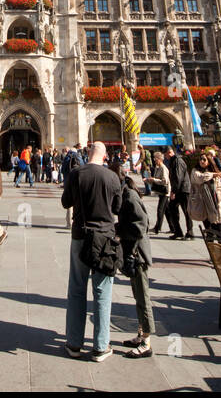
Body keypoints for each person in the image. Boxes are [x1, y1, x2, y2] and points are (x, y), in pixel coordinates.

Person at [62, 141, 122, 361]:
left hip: (80, 235)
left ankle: (74, 344)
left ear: (88, 154)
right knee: (102, 292)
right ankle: (100, 346)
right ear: (104, 156)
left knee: (77, 289)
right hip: (105, 239)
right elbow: (117, 208)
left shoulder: (77, 174)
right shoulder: (112, 178)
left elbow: (65, 202)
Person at [114, 163, 155, 358]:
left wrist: (118, 229)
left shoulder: (129, 195)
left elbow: (141, 226)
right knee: (137, 296)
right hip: (132, 251)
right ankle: (140, 334)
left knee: (143, 297)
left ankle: (146, 342)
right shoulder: (124, 193)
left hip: (138, 253)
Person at [189, 151, 221, 241]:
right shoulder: (195, 171)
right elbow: (200, 178)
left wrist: (219, 194)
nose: (202, 161)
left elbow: (220, 185)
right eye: (200, 159)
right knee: (209, 231)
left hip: (216, 203)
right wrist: (213, 175)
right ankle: (213, 252)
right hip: (204, 204)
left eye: (204, 159)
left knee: (219, 230)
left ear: (209, 161)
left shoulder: (215, 171)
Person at [165, 147, 194, 240]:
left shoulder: (178, 161)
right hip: (179, 189)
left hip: (183, 190)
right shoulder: (173, 160)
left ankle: (190, 233)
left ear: (169, 152)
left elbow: (178, 177)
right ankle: (178, 232)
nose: (165, 157)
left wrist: (174, 191)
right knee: (172, 208)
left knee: (186, 211)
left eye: (165, 155)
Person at [147, 151, 172, 233]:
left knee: (160, 210)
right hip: (161, 192)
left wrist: (154, 180)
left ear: (160, 159)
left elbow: (165, 181)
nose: (154, 161)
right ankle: (173, 227)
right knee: (167, 211)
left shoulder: (163, 168)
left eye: (155, 159)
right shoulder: (158, 168)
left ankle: (157, 228)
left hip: (165, 192)